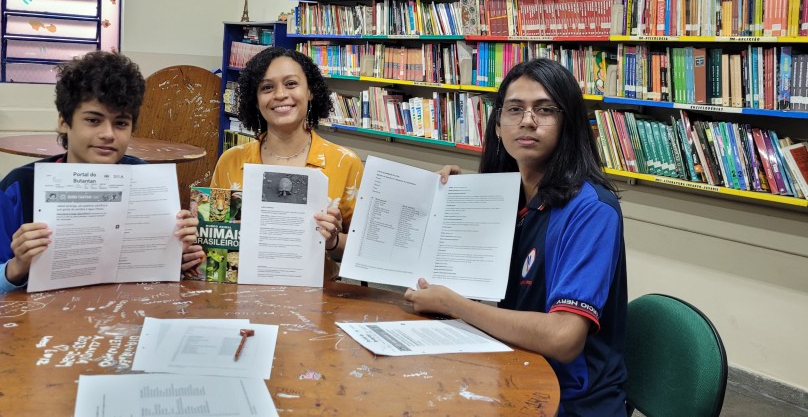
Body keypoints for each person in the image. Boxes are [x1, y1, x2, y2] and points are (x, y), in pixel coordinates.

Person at [403, 58, 628, 415]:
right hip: (511, 369)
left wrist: (454, 305)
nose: (527, 120)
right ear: (497, 126)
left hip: (569, 399)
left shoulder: (591, 209)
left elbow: (563, 338)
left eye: (545, 109)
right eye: (514, 109)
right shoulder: (507, 196)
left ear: (568, 123)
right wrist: (448, 201)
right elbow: (443, 273)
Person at [0, 51, 204, 302]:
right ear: (64, 122)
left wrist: (178, 258)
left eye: (121, 123)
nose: (108, 134)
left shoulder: (147, 184)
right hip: (41, 320)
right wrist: (16, 267)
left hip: (126, 317)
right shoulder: (20, 188)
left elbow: (164, 285)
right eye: (93, 120)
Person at [209, 47, 363, 280]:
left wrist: (332, 241)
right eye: (267, 87)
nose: (280, 94)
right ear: (255, 100)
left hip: (318, 296)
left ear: (310, 91)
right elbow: (216, 239)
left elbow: (362, 251)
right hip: (240, 291)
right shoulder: (230, 161)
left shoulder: (345, 163)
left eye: (291, 84)